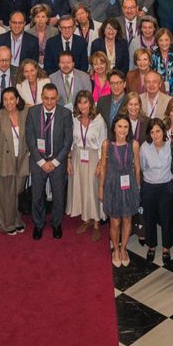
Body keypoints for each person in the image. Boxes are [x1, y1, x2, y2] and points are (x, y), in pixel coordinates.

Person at [26, 81, 73, 239]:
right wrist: (41, 162)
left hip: (57, 162)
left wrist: (54, 162)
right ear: (41, 97)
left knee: (59, 195)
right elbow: (30, 140)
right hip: (38, 161)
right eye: (46, 98)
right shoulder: (32, 112)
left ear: (57, 98)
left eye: (52, 98)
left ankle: (56, 224)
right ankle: (38, 224)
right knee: (37, 195)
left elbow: (68, 142)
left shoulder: (65, 114)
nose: (49, 102)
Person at [101, 114, 142, 267]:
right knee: (115, 221)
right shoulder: (107, 144)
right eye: (120, 126)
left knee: (127, 220)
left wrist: (137, 189)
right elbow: (103, 168)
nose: (123, 130)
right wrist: (101, 188)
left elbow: (137, 168)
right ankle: (116, 249)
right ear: (114, 128)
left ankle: (124, 249)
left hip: (129, 185)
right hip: (112, 186)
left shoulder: (134, 144)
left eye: (126, 127)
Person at [0, 85, 29, 233]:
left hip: (22, 160)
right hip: (3, 160)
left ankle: (17, 219)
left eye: (12, 98)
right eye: (5, 99)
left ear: (17, 99)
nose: (9, 102)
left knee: (17, 192)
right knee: (5, 194)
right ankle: (6, 224)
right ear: (2, 101)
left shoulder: (25, 113)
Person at [67, 89, 107, 236]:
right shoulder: (74, 119)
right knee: (82, 188)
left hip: (93, 158)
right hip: (77, 157)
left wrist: (100, 164)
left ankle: (96, 222)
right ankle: (86, 219)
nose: (83, 106)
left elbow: (103, 143)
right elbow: (70, 142)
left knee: (93, 188)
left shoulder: (98, 120)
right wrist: (69, 160)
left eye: (85, 102)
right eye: (80, 102)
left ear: (91, 103)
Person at [138, 118, 173, 264]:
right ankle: (152, 245)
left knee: (166, 218)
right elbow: (142, 167)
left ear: (163, 131)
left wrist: (171, 184)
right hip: (149, 186)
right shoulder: (144, 147)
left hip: (166, 186)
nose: (155, 135)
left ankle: (166, 247)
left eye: (158, 131)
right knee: (150, 217)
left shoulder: (171, 145)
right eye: (152, 132)